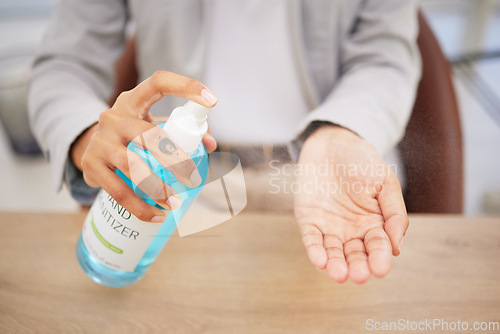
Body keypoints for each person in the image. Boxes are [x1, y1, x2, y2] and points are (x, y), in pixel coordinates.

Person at [29, 0, 421, 284]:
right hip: (176, 177)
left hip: (327, 182)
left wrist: (341, 130)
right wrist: (87, 135)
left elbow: (385, 58)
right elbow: (65, 65)